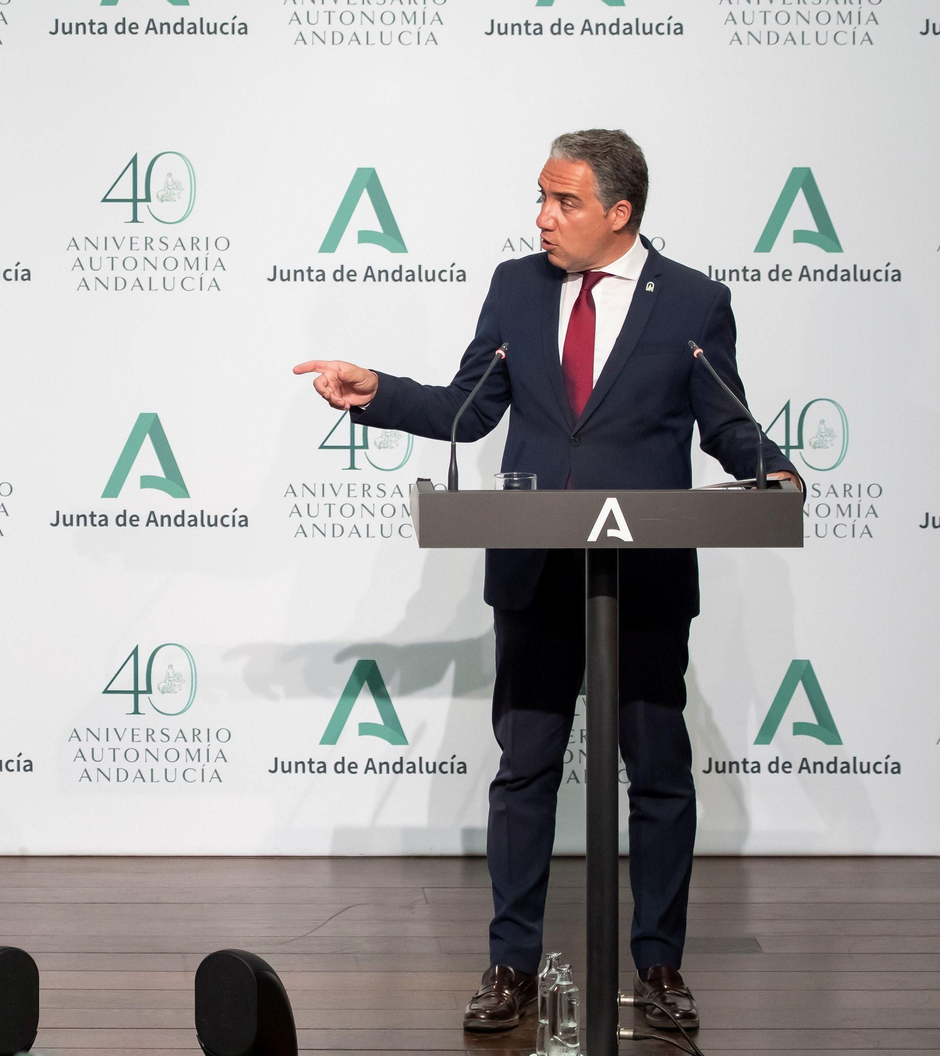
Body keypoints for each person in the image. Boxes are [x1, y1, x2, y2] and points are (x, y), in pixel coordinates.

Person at [294, 129, 799, 1037]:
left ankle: (661, 967)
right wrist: (378, 392)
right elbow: (468, 407)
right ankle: (509, 968)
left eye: (565, 202)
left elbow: (726, 419)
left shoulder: (693, 301)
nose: (542, 218)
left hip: (642, 578)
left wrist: (776, 468)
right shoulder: (515, 289)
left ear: (619, 213)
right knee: (524, 770)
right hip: (533, 570)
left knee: (659, 775)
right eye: (541, 197)